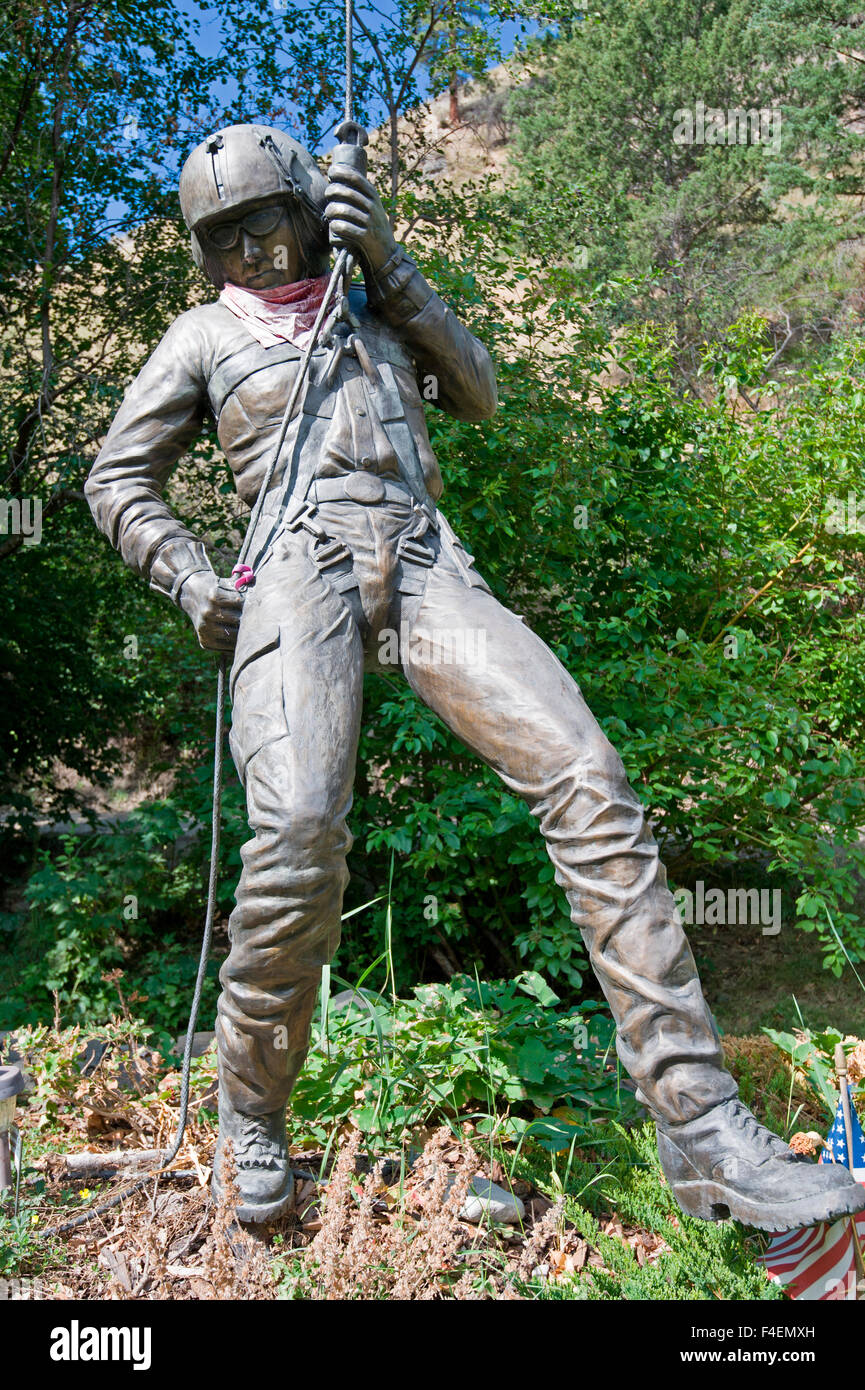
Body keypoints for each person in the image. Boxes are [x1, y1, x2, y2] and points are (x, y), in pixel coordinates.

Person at [85, 123, 865, 1229]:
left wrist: (387, 258)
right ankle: (250, 1112)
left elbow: (481, 394)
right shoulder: (202, 336)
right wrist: (185, 574)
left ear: (306, 208)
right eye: (222, 238)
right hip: (294, 568)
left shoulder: (375, 306)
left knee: (586, 772)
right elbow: (117, 477)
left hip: (421, 558)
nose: (248, 251)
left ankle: (699, 1124)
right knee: (298, 830)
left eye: (262, 222)